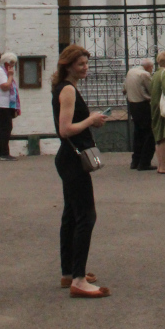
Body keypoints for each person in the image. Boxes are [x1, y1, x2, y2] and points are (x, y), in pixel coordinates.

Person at [51, 44, 111, 298]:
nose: (85, 67)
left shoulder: (66, 88)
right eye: (80, 64)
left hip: (68, 158)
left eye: (87, 63)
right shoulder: (68, 90)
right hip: (73, 159)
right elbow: (64, 129)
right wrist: (91, 120)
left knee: (71, 216)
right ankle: (78, 280)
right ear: (68, 65)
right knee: (86, 216)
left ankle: (69, 273)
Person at [123, 58, 156, 171]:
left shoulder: (131, 72)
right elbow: (152, 90)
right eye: (152, 67)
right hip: (143, 105)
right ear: (149, 67)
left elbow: (124, 89)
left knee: (138, 133)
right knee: (149, 134)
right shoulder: (145, 74)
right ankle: (145, 162)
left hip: (132, 105)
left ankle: (135, 161)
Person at [0, 52, 19, 161]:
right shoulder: (0, 72)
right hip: (0, 104)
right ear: (6, 63)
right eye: (11, 63)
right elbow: (5, 86)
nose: (12, 66)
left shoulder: (3, 72)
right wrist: (11, 76)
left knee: (3, 127)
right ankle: (4, 153)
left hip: (3, 104)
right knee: (6, 127)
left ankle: (0, 152)